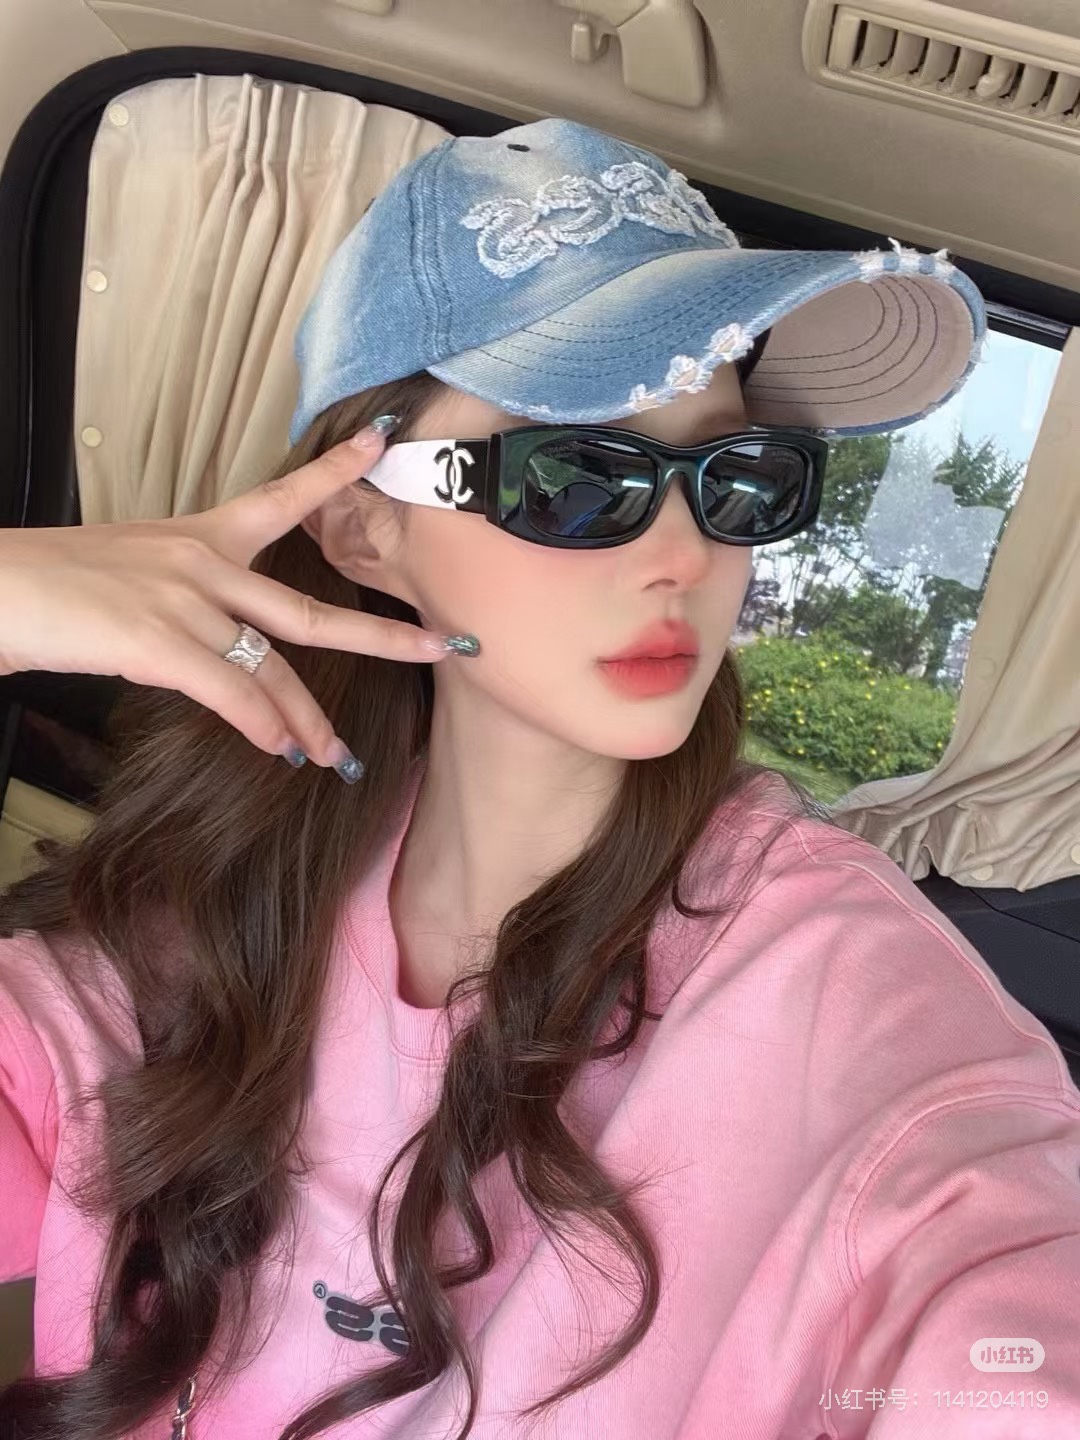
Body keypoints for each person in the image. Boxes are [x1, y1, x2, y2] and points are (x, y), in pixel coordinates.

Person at [0, 115, 1077, 1440]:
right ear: (364, 528)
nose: (685, 555)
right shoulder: (222, 902)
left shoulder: (840, 989)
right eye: (577, 477)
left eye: (740, 477)